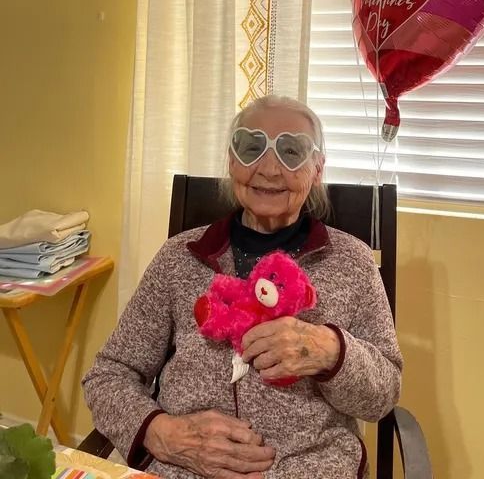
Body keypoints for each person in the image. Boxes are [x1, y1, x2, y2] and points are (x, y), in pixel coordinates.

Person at [83, 95, 403, 479]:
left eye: (291, 151)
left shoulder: (352, 262)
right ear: (232, 162)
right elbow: (108, 376)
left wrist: (331, 351)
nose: (268, 168)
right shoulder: (178, 258)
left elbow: (382, 395)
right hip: (181, 468)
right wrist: (160, 433)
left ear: (317, 169)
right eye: (251, 148)